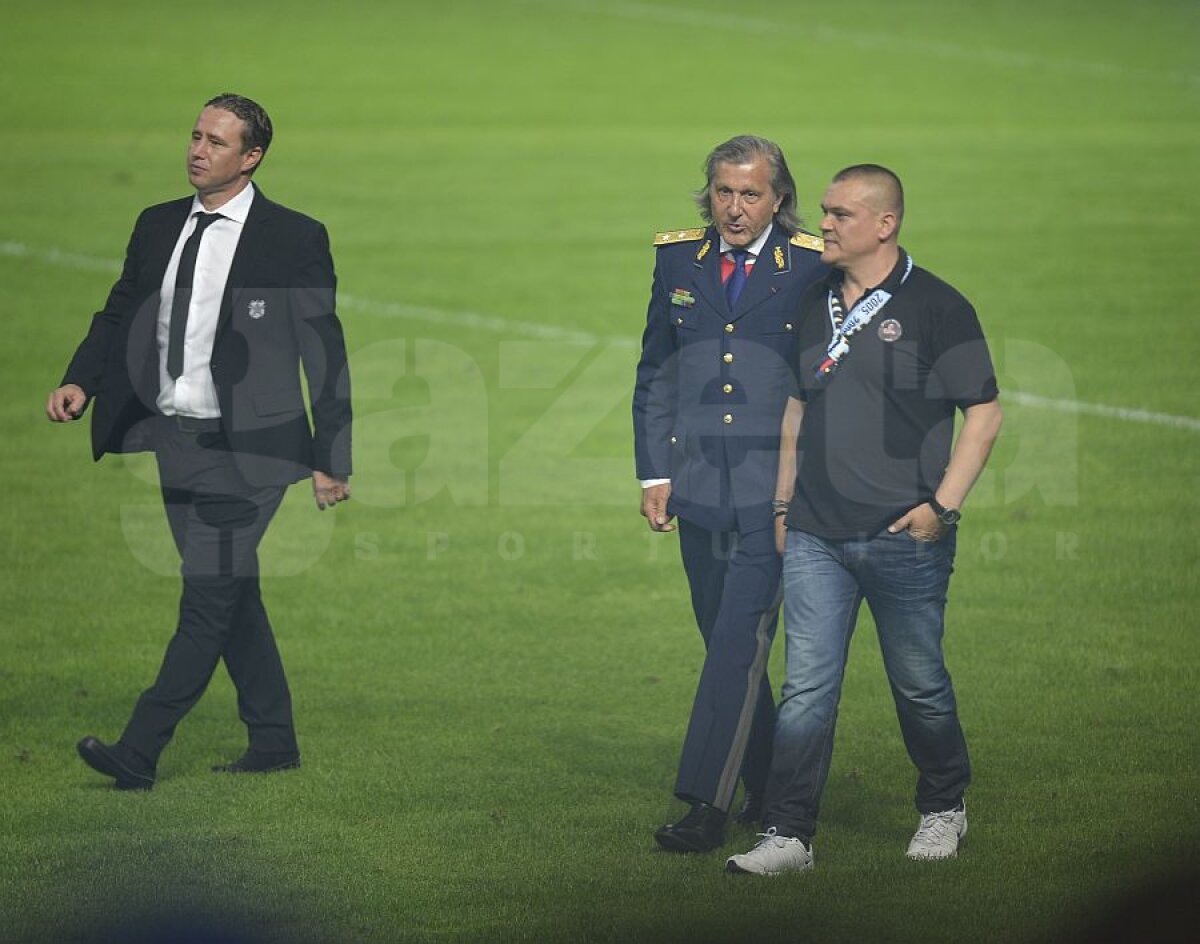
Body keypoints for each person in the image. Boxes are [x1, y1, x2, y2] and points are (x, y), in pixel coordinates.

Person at [46, 93, 353, 790]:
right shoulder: (157, 224)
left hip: (253, 455)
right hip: (175, 440)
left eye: (216, 142)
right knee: (232, 594)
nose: (197, 150)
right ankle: (273, 741)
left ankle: (140, 748)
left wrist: (330, 457)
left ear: (251, 158)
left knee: (207, 600)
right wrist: (81, 379)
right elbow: (120, 311)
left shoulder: (293, 237)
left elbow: (324, 351)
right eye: (195, 136)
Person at [726, 164, 1002, 874]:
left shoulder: (940, 306)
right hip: (815, 532)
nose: (825, 224)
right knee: (807, 690)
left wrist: (942, 507)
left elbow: (984, 414)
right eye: (825, 211)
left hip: (904, 536)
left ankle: (944, 806)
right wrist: (783, 502)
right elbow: (795, 405)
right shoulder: (813, 298)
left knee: (919, 685)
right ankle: (788, 835)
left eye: (841, 214)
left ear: (885, 224)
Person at [633, 135, 826, 852]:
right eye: (723, 192)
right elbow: (656, 370)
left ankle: (705, 803)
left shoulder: (812, 266)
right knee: (726, 643)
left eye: (750, 194)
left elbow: (828, 385)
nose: (734, 208)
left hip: (777, 496)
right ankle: (773, 784)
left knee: (736, 644)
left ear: (779, 199)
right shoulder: (677, 260)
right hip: (696, 488)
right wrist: (654, 473)